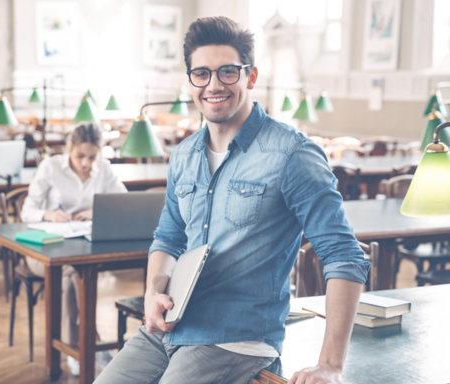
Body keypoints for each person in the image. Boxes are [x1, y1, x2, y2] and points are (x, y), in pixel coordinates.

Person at [96, 17, 370, 384]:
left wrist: (331, 364)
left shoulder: (292, 154)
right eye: (202, 74)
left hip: (237, 339)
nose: (213, 85)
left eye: (227, 72)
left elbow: (343, 255)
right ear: (190, 79)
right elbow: (169, 237)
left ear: (250, 76)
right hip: (172, 327)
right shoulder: (184, 155)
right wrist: (151, 293)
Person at [20, 123, 127, 376]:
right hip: (41, 248)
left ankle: (75, 348)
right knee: (73, 270)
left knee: (72, 274)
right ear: (70, 148)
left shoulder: (104, 170)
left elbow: (122, 202)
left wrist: (96, 211)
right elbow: (26, 211)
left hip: (81, 247)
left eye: (92, 157)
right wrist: (48, 214)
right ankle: (92, 342)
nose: (86, 163)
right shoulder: (51, 166)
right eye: (80, 156)